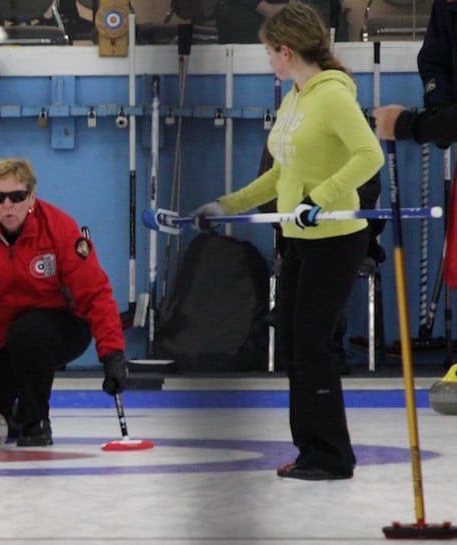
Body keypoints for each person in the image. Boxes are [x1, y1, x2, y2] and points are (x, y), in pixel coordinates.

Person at [193, 3, 384, 480]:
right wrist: (226, 206)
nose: (268, 62)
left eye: (268, 53)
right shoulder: (294, 98)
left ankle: (333, 456)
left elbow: (369, 155)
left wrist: (320, 198)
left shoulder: (333, 96)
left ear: (285, 49)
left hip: (336, 241)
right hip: (298, 240)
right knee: (297, 344)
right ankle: (309, 449)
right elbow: (280, 172)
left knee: (314, 345)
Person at [0, 157, 127, 447]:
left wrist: (112, 354)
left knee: (28, 331)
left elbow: (95, 292)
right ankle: (12, 414)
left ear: (32, 197)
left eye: (17, 196)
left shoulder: (59, 228)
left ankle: (35, 419)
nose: (8, 206)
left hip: (57, 327)